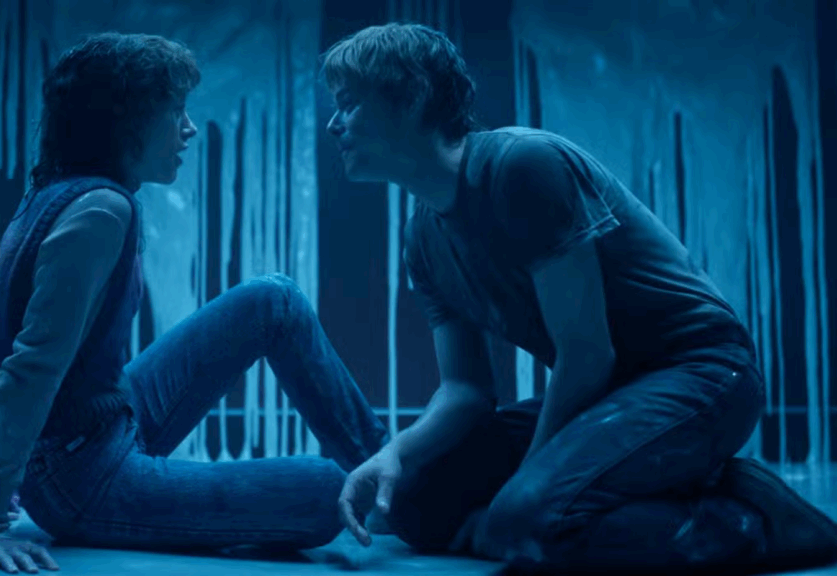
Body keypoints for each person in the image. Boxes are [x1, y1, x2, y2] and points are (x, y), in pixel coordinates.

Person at [322, 22, 837, 574]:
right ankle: (661, 476)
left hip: (703, 374)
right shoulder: (423, 239)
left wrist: (519, 493)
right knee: (414, 504)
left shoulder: (523, 166)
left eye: (349, 103)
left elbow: (587, 353)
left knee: (521, 522)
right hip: (609, 394)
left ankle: (754, 516)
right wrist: (394, 454)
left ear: (412, 96)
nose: (333, 124)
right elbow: (466, 390)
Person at [0, 32, 389, 574]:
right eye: (175, 110)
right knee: (326, 489)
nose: (189, 127)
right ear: (124, 120)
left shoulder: (54, 193)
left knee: (274, 300)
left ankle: (389, 474)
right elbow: (24, 367)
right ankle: (386, 489)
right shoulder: (102, 211)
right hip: (79, 477)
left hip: (105, 422)